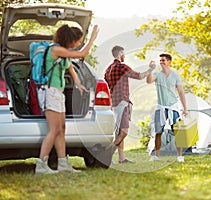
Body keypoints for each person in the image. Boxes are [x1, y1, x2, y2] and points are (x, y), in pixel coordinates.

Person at [35, 24, 99, 174]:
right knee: (54, 130)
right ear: (71, 40)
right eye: (78, 41)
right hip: (50, 92)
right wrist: (92, 39)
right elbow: (82, 54)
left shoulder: (63, 53)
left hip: (58, 93)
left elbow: (71, 69)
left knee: (62, 129)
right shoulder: (55, 49)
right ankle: (41, 165)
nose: (78, 44)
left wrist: (79, 85)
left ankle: (63, 164)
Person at [104, 45, 155, 164]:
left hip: (114, 103)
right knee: (124, 132)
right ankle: (107, 155)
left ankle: (121, 158)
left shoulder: (108, 69)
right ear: (120, 53)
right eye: (124, 53)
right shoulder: (122, 67)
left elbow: (106, 85)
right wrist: (151, 69)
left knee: (119, 131)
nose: (125, 56)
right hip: (122, 101)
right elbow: (139, 76)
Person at [146, 53, 188, 162]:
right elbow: (149, 81)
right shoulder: (157, 74)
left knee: (177, 132)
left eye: (163, 60)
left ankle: (179, 156)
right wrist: (150, 70)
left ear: (169, 62)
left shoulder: (175, 75)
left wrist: (185, 108)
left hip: (173, 107)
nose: (161, 62)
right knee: (158, 132)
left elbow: (181, 92)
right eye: (160, 60)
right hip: (160, 108)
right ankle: (156, 156)